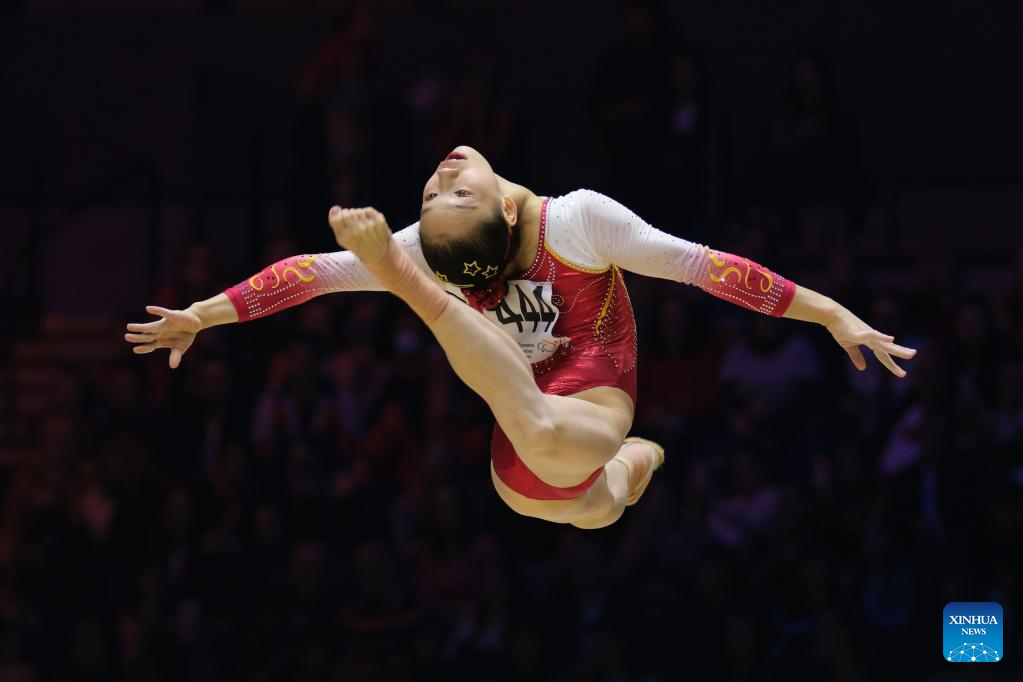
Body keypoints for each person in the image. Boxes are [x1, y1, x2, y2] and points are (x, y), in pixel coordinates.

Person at [125, 145, 916, 529]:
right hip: (527, 463)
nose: (440, 176)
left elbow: (705, 268)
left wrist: (829, 312)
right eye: (440, 190)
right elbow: (308, 274)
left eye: (443, 191)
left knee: (584, 477)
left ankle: (634, 459)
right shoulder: (440, 246)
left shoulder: (577, 224)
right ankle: (632, 465)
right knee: (591, 497)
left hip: (573, 421)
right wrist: (203, 314)